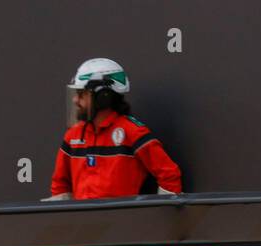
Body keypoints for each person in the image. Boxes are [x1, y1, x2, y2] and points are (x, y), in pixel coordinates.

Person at [47, 58, 182, 200]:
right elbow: (59, 184)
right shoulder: (73, 135)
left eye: (82, 94)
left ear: (103, 97)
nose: (75, 100)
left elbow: (169, 175)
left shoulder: (132, 132)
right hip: (81, 222)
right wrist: (62, 219)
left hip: (122, 221)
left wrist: (162, 216)